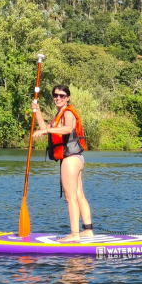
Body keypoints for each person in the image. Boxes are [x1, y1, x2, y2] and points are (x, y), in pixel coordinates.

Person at [32, 84, 94, 241]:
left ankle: (74, 235)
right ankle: (88, 230)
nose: (58, 98)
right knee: (79, 195)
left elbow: (68, 129)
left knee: (70, 197)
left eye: (62, 96)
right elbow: (45, 128)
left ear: (68, 98)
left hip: (71, 159)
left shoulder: (68, 113)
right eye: (55, 95)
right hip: (75, 158)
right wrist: (38, 112)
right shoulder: (58, 114)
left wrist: (46, 130)